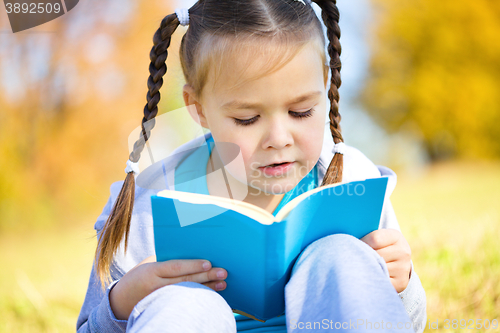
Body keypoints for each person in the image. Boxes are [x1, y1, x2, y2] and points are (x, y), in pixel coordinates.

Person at [76, 0, 427, 332]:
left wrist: (401, 284)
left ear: (324, 85)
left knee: (341, 257)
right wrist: (122, 303)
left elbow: (410, 320)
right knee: (183, 302)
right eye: (247, 118)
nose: (279, 138)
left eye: (301, 111)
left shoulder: (351, 179)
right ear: (198, 108)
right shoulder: (149, 203)